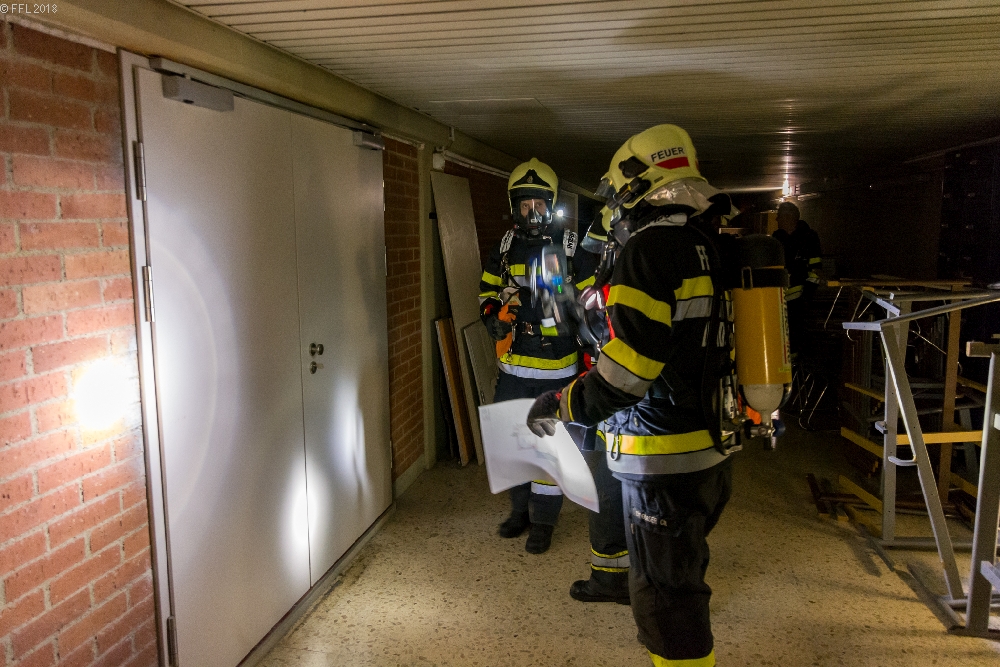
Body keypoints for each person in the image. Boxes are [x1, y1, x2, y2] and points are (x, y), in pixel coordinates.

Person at [526, 125, 736, 666]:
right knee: (682, 576)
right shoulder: (709, 244)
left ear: (636, 186)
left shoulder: (648, 251)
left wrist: (561, 405)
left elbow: (629, 374)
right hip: (710, 450)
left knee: (667, 603)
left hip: (663, 457)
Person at [479, 158, 591, 554]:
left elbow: (592, 300)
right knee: (512, 440)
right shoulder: (504, 248)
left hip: (557, 367)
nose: (532, 212)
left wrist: (573, 309)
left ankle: (544, 522)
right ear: (515, 206)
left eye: (539, 204)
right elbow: (487, 292)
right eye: (524, 205)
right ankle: (519, 512)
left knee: (549, 445)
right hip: (513, 367)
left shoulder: (573, 248)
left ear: (552, 204)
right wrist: (490, 317)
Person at [772, 201, 822, 354]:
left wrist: (806, 295)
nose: (776, 220)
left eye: (779, 216)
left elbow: (815, 269)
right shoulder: (776, 238)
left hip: (800, 299)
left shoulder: (809, 238)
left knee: (796, 336)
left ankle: (794, 362)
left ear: (789, 217)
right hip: (778, 298)